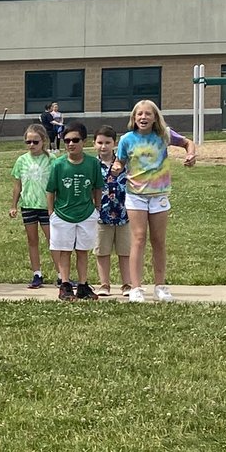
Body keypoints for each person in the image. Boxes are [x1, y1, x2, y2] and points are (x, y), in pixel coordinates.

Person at [116, 99, 197, 303]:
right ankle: (136, 288)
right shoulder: (127, 139)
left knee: (158, 240)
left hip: (159, 195)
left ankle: (160, 286)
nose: (143, 117)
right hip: (135, 195)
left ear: (155, 117)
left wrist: (191, 155)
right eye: (139, 114)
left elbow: (188, 143)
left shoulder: (164, 135)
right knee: (139, 238)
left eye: (147, 114)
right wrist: (117, 167)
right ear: (134, 118)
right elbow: (120, 161)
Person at [45, 121, 104, 301]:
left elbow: (97, 187)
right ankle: (65, 285)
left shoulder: (93, 163)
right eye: (67, 140)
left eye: (75, 140)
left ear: (84, 142)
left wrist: (97, 208)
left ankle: (83, 285)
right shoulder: (58, 165)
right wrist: (51, 212)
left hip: (86, 213)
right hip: (63, 214)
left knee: (82, 250)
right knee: (64, 250)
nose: (71, 144)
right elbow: (51, 190)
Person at [8, 123, 57, 288]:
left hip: (46, 206)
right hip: (28, 204)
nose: (32, 145)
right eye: (28, 142)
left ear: (43, 141)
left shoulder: (51, 160)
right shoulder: (21, 161)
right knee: (32, 240)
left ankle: (61, 274)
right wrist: (13, 205)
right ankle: (37, 273)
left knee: (53, 240)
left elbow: (56, 184)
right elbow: (17, 185)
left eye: (35, 142)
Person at [93, 126, 131, 296]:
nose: (103, 146)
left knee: (125, 251)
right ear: (94, 144)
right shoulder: (92, 165)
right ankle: (104, 284)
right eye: (100, 142)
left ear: (114, 143)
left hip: (124, 213)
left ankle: (127, 284)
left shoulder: (124, 163)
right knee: (102, 250)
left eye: (107, 142)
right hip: (101, 215)